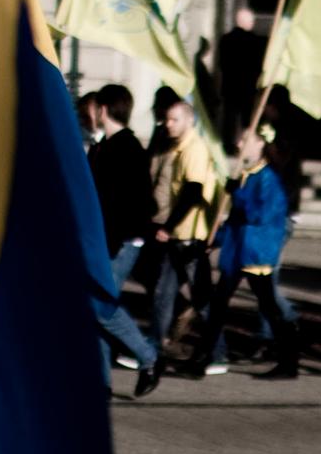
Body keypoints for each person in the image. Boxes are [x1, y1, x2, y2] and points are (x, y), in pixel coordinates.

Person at [201, 126, 302, 378]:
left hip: (255, 252)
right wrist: (218, 239)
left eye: (245, 139)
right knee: (218, 304)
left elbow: (260, 214)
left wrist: (238, 192)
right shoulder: (248, 174)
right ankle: (204, 357)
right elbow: (236, 218)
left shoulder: (268, 178)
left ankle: (289, 361)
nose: (238, 144)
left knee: (269, 307)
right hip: (238, 251)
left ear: (260, 144)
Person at [81, 85, 163, 394]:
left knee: (101, 305)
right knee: (95, 309)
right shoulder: (107, 146)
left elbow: (127, 204)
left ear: (103, 110)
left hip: (121, 241)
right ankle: (101, 381)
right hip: (108, 240)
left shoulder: (126, 148)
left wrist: (111, 242)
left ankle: (148, 357)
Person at [143, 87, 225, 375]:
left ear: (189, 120)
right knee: (163, 294)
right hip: (178, 235)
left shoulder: (194, 149)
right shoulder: (176, 147)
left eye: (174, 120)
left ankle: (218, 352)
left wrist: (168, 225)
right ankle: (152, 348)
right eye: (167, 119)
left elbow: (192, 192)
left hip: (190, 237)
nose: (168, 124)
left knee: (201, 298)